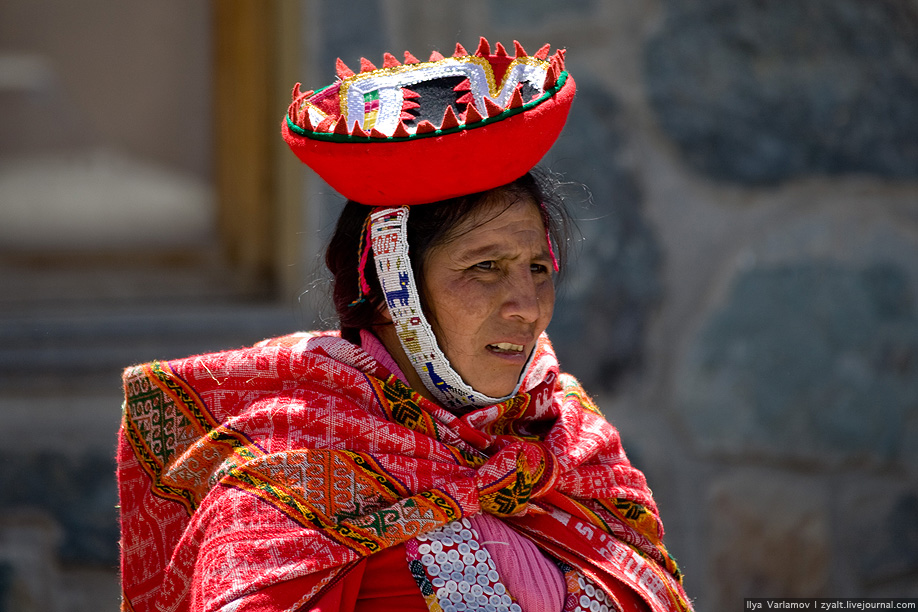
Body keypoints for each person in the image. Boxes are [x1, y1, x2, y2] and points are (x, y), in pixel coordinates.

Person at [117, 38, 692, 612]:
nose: (527, 305)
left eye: (537, 268)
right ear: (396, 292)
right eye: (484, 268)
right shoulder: (284, 486)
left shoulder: (572, 446)